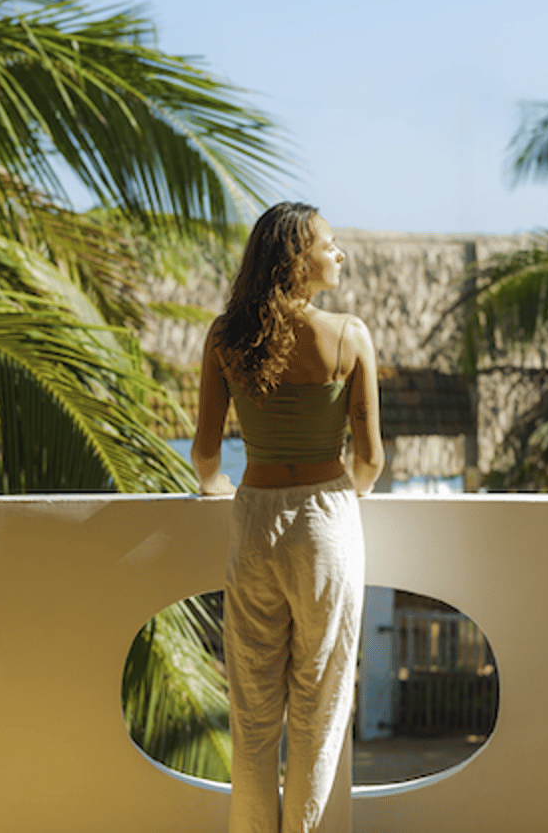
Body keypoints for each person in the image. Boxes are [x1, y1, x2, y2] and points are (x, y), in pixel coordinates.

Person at [192, 202, 385, 833]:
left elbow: (204, 453)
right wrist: (333, 503)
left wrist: (215, 487)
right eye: (330, 245)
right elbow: (370, 459)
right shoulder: (348, 335)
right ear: (298, 259)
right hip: (326, 522)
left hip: (253, 517)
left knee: (252, 708)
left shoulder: (225, 337)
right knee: (319, 704)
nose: (340, 254)